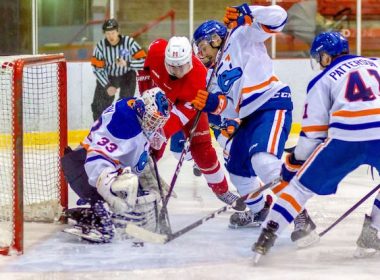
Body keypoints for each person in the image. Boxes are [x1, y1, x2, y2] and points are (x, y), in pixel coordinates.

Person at [252, 31, 380, 262]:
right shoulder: (376, 63)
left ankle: (267, 234)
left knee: (300, 188)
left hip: (346, 137)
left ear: (326, 57)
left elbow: (313, 134)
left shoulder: (323, 79)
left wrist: (293, 164)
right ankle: (372, 231)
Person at [191, 4, 305, 230]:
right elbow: (233, 108)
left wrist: (249, 13)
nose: (200, 54)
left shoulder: (241, 35)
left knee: (263, 162)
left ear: (215, 39)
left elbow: (279, 17)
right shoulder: (210, 76)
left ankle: (300, 215)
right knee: (237, 170)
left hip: (271, 103)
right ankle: (260, 210)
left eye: (203, 47)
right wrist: (213, 104)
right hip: (248, 116)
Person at [137, 36, 245, 209]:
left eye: (182, 67)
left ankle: (222, 190)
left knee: (202, 149)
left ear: (189, 61)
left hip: (188, 106)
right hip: (160, 99)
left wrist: (162, 133)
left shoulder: (199, 76)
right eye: (173, 67)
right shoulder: (157, 50)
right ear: (166, 59)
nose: (178, 72)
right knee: (147, 146)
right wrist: (146, 97)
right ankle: (141, 183)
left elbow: (180, 114)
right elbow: (144, 70)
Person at [61, 87, 170, 243]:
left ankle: (95, 211)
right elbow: (96, 157)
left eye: (158, 122)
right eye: (153, 119)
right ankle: (98, 221)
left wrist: (150, 175)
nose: (154, 125)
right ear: (143, 107)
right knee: (118, 205)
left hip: (96, 164)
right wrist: (108, 191)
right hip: (83, 165)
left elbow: (132, 155)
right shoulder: (125, 124)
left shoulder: (136, 110)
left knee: (139, 203)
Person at [91, 18, 147, 121]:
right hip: (110, 76)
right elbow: (97, 69)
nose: (110, 36)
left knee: (124, 105)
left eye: (112, 33)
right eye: (108, 33)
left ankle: (121, 128)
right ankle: (98, 130)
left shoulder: (128, 42)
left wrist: (128, 63)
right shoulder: (100, 46)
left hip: (127, 76)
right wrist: (107, 86)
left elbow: (144, 62)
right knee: (97, 106)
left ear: (118, 31)